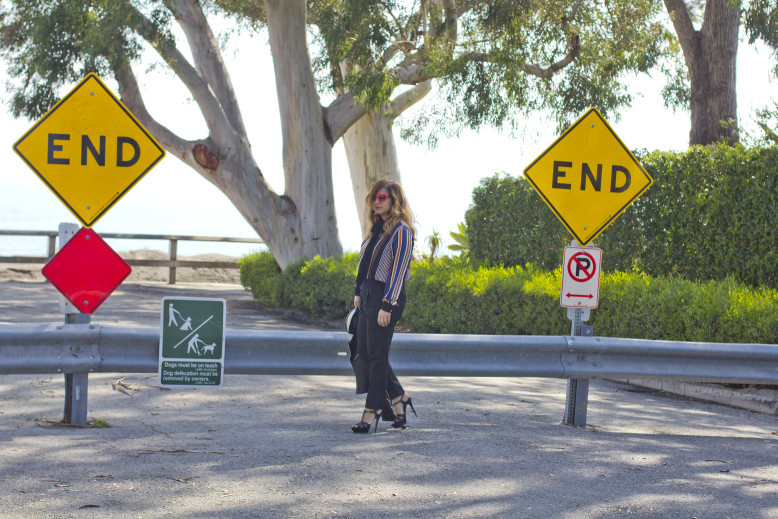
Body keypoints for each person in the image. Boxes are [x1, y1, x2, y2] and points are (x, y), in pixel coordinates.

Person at [351, 179, 417, 433]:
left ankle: (373, 410)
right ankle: (399, 398)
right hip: (368, 295)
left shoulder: (402, 230)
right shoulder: (376, 228)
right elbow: (364, 262)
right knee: (367, 354)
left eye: (383, 198)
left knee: (377, 357)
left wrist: (387, 306)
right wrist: (358, 291)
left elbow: (398, 271)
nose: (377, 202)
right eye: (375, 198)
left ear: (394, 201)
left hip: (386, 297)